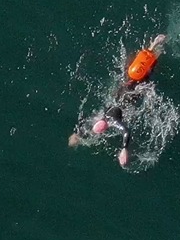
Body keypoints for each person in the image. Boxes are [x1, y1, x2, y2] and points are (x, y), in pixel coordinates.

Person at [70, 33, 165, 169]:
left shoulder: (113, 122)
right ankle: (153, 46)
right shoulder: (101, 117)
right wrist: (77, 135)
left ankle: (158, 49)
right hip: (121, 93)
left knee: (146, 75)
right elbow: (84, 125)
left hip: (129, 97)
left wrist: (124, 149)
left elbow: (126, 131)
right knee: (134, 75)